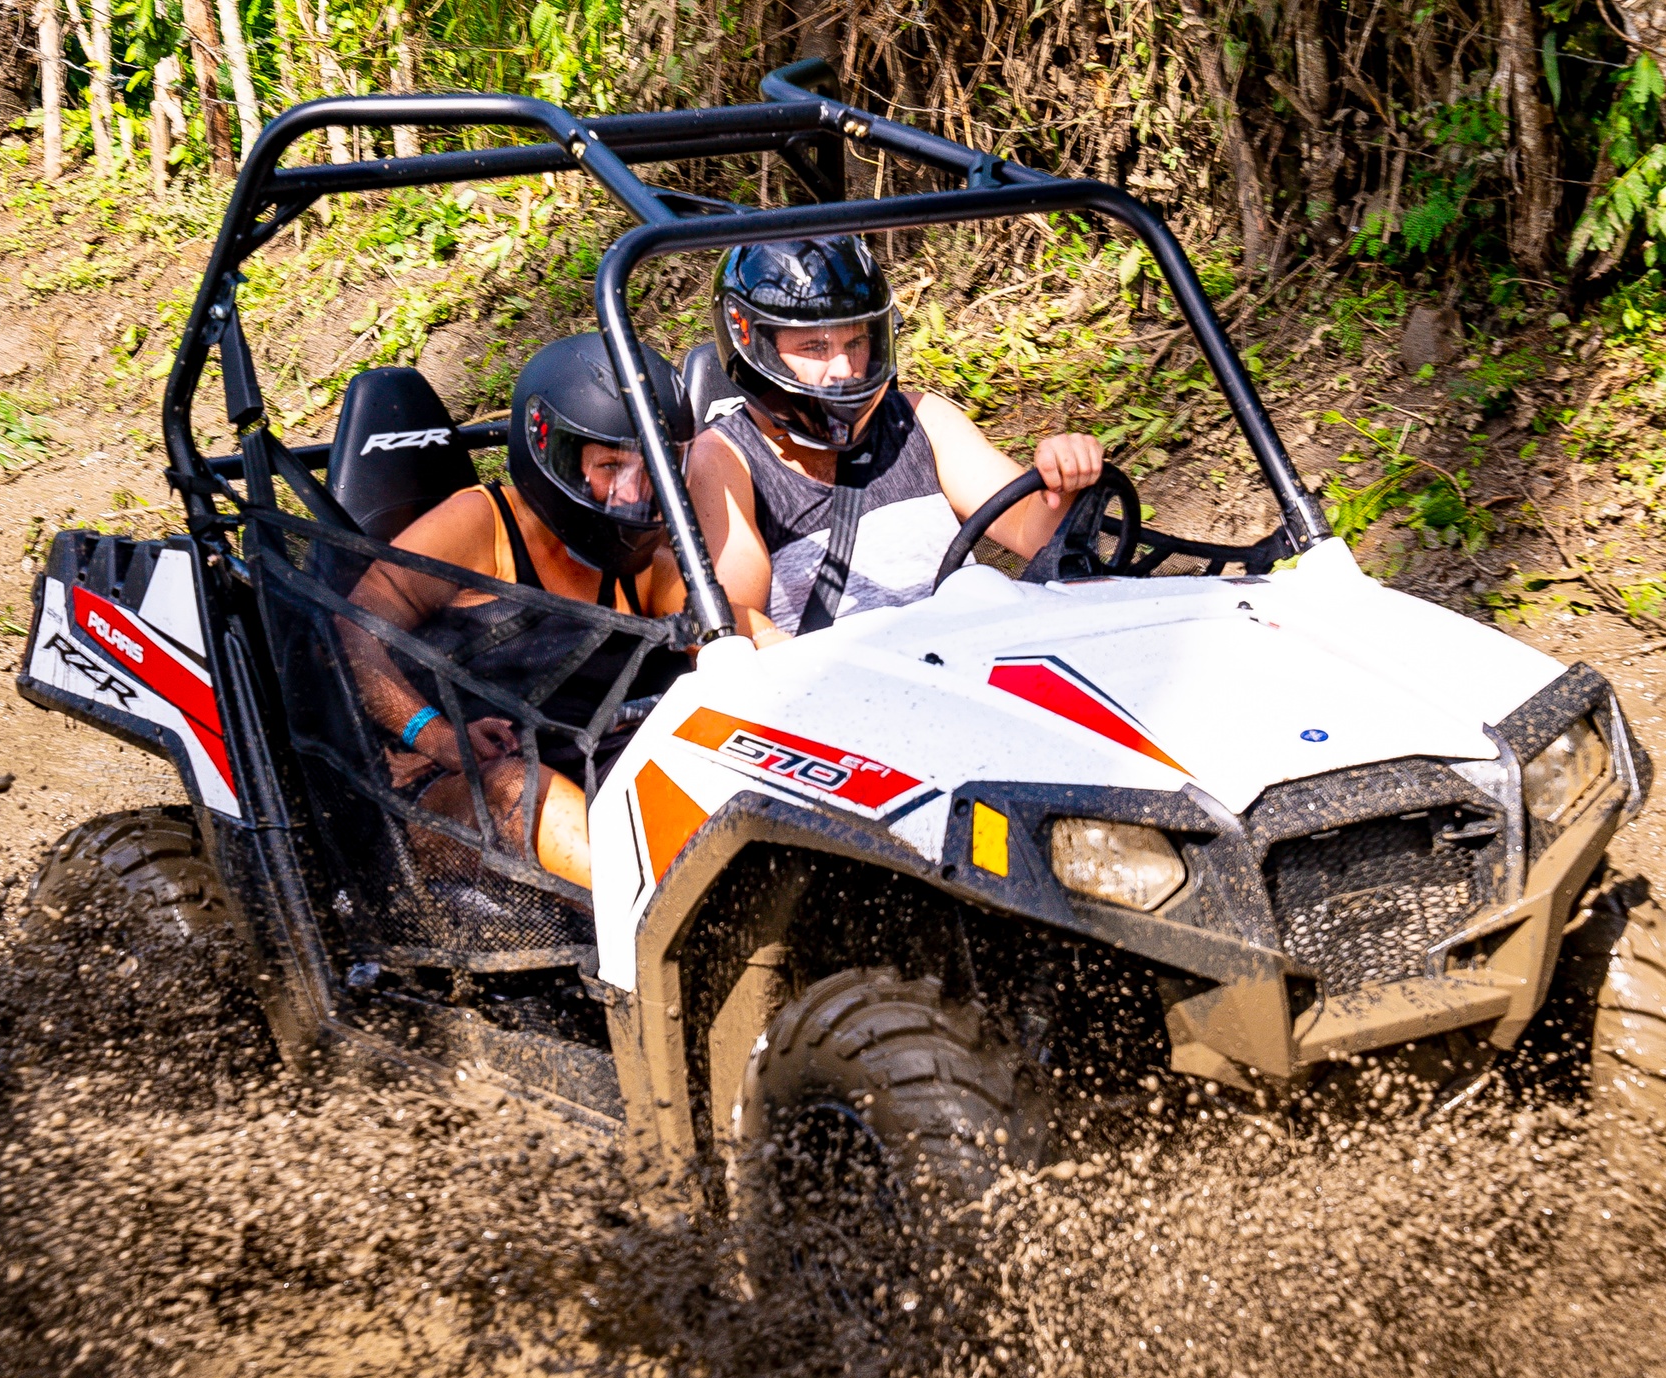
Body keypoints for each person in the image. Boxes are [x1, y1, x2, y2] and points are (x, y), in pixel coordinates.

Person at [339, 333, 690, 890]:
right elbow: (351, 632)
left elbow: (737, 637)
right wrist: (435, 737)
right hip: (451, 798)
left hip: (599, 781)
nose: (632, 495)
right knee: (513, 784)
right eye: (611, 468)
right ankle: (660, 927)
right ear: (552, 453)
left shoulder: (650, 559)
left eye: (653, 470)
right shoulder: (481, 525)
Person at [685, 234, 1106, 644]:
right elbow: (733, 615)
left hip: (972, 660)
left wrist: (1062, 473)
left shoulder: (921, 419)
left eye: (856, 342)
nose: (844, 369)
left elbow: (1035, 533)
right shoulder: (726, 459)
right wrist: (791, 661)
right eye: (814, 347)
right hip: (835, 691)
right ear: (758, 349)